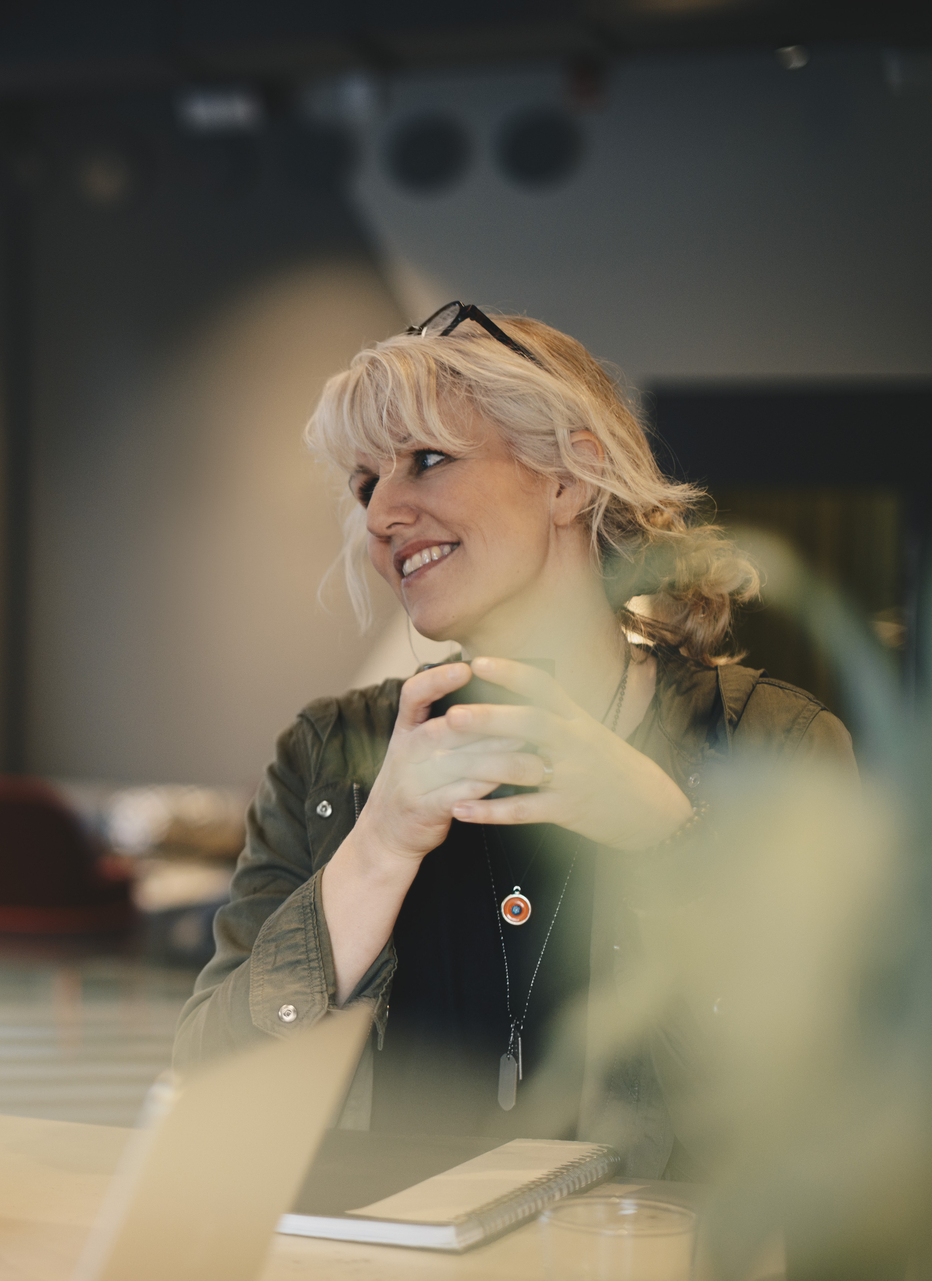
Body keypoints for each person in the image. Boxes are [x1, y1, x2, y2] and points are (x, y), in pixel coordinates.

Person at [172, 303, 853, 1178]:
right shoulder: (325, 756)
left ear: (570, 478)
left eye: (427, 459)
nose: (381, 514)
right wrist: (375, 850)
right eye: (365, 483)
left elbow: (839, 1095)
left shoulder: (772, 742)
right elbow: (211, 1093)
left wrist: (672, 838)